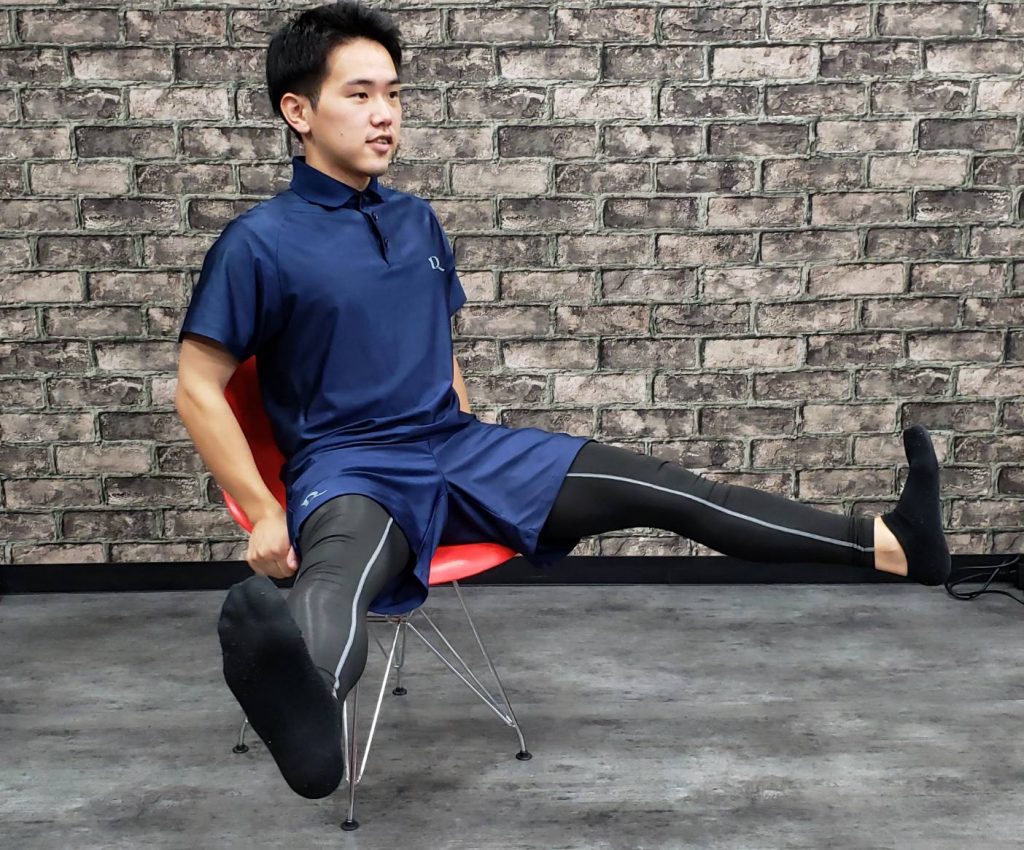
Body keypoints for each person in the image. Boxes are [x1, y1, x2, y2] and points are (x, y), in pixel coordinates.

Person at [174, 1, 951, 801]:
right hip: (352, 466)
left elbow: (434, 339)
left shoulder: (415, 221)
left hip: (458, 449)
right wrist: (261, 511)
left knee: (670, 490)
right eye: (361, 94)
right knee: (337, 579)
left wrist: (461, 424)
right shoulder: (258, 242)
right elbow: (197, 386)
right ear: (298, 111)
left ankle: (891, 543)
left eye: (395, 95)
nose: (385, 115)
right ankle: (309, 716)